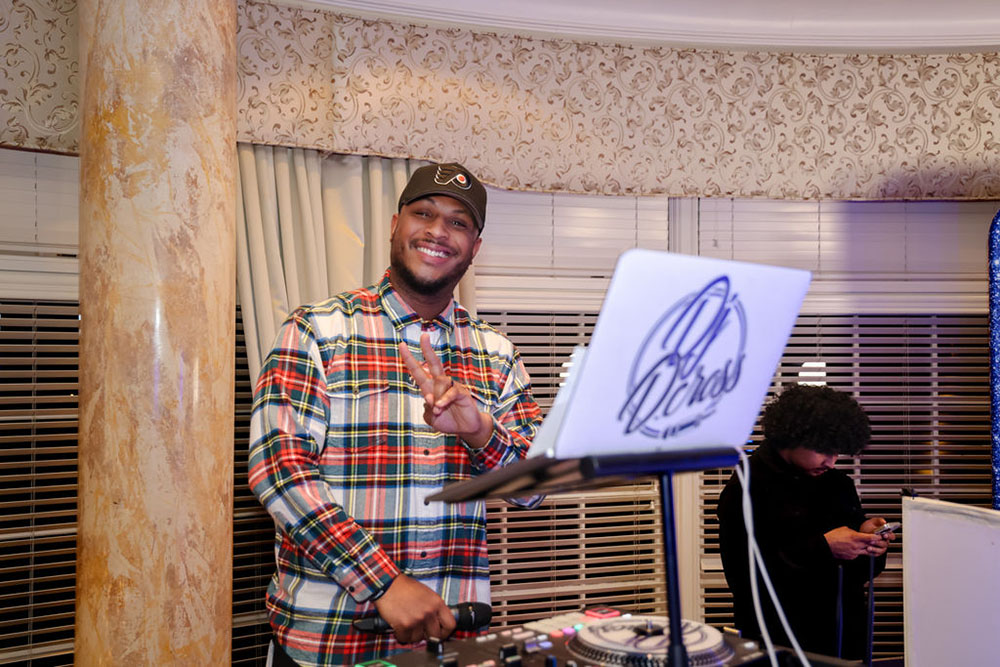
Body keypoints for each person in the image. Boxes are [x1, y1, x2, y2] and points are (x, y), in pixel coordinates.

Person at [248, 163, 542, 666]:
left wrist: (481, 433)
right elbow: (279, 472)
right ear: (394, 225)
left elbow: (533, 488)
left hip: (448, 644)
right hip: (328, 645)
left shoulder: (497, 354)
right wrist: (382, 582)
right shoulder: (318, 330)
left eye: (458, 223)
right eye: (423, 213)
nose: (438, 231)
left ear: (474, 248)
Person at [716, 384, 897, 660]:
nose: (831, 462)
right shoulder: (747, 487)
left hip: (844, 641)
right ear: (792, 436)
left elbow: (859, 575)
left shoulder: (838, 484)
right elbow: (745, 578)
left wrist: (869, 544)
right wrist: (825, 548)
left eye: (837, 452)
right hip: (778, 643)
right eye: (824, 451)